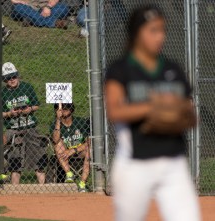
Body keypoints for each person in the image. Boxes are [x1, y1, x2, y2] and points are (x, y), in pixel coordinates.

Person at [105, 5, 201, 221]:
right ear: (137, 33)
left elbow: (192, 116)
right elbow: (114, 110)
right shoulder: (120, 69)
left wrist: (179, 111)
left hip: (173, 161)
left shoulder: (172, 70)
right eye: (153, 30)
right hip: (135, 162)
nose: (160, 37)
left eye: (162, 30)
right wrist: (155, 106)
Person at [2, 62, 47, 185]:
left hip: (30, 126)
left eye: (13, 76)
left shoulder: (27, 87)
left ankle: (43, 190)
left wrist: (29, 109)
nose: (11, 80)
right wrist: (9, 114)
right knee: (15, 164)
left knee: (38, 160)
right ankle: (15, 193)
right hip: (13, 129)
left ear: (17, 75)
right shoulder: (2, 93)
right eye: (8, 78)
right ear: (4, 80)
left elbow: (36, 105)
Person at [50, 103, 90, 192]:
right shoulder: (54, 124)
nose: (62, 110)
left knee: (90, 150)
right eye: (59, 108)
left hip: (80, 152)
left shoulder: (81, 122)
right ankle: (69, 173)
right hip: (64, 153)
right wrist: (58, 120)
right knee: (57, 145)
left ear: (71, 109)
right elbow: (55, 140)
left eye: (65, 108)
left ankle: (82, 184)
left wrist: (74, 150)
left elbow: (89, 142)